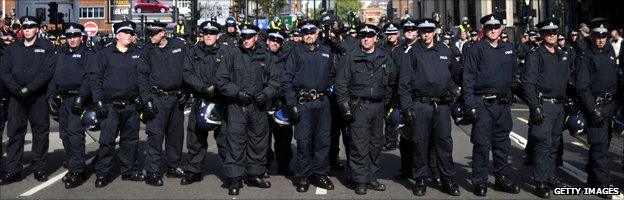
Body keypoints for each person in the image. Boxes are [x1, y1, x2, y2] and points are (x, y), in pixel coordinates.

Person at [399, 18, 461, 197]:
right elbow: (404, 84)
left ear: (434, 31)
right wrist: (407, 108)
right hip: (421, 105)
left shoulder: (444, 49)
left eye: (429, 30)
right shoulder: (412, 52)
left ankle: (448, 179)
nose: (426, 33)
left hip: (441, 105)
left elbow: (457, 74)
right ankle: (420, 179)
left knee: (444, 143)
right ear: (419, 32)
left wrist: (461, 93)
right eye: (423, 30)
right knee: (420, 143)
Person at [215, 24, 278, 195]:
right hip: (237, 105)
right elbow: (221, 80)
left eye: (249, 37)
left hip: (258, 106)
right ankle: (234, 178)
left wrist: (265, 95)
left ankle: (255, 174)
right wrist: (236, 93)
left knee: (258, 141)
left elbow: (274, 81)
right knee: (235, 142)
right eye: (243, 37)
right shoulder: (232, 54)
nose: (246, 40)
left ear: (256, 37)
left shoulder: (266, 56)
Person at [462, 14, 520, 196]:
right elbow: (468, 79)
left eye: (496, 27)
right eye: (489, 27)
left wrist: (511, 94)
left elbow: (513, 75)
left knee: (502, 145)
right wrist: (470, 104)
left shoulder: (508, 48)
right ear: (484, 30)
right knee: (481, 145)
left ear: (501, 28)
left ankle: (502, 179)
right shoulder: (476, 49)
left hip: (502, 105)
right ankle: (480, 181)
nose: (493, 30)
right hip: (483, 103)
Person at [335, 24, 395, 195]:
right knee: (359, 145)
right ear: (359, 38)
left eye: (370, 35)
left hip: (378, 106)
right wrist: (345, 106)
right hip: (358, 106)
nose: (366, 38)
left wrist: (386, 99)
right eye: (363, 36)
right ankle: (360, 180)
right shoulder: (350, 57)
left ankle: (371, 177)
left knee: (376, 144)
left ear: (376, 38)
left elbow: (392, 80)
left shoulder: (384, 56)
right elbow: (341, 85)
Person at [89, 20, 145, 188]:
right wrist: (98, 101)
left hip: (131, 105)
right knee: (107, 141)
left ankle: (129, 170)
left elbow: (143, 78)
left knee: (131, 140)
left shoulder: (138, 53)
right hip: (110, 106)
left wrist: (143, 100)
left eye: (131, 33)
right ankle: (103, 173)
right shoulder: (105, 54)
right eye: (126, 32)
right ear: (118, 35)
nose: (130, 35)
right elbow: (96, 79)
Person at [0, 16, 55, 185]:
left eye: (31, 26)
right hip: (16, 97)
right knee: (15, 134)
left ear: (37, 29)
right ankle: (13, 170)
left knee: (40, 133)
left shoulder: (46, 47)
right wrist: (16, 89)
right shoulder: (13, 47)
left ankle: (39, 168)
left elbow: (47, 72)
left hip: (37, 96)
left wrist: (29, 88)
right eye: (24, 27)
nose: (27, 29)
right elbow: (5, 71)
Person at [282, 20, 335, 193]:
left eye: (312, 32)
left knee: (323, 141)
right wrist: (292, 104)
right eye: (305, 32)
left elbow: (332, 75)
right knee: (304, 142)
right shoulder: (295, 52)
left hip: (322, 102)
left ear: (318, 32)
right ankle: (303, 175)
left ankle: (320, 173)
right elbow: (286, 80)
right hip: (303, 103)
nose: (309, 35)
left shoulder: (326, 51)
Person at [522, 19, 572, 199]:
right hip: (544, 105)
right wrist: (535, 107)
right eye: (548, 32)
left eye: (554, 32)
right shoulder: (535, 54)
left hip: (559, 106)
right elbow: (528, 84)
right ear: (542, 35)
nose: (552, 35)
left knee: (554, 144)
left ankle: (550, 176)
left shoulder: (561, 53)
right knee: (542, 144)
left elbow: (567, 79)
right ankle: (541, 181)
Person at [137, 21, 188, 186]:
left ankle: (173, 166)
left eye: (153, 33)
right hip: (156, 98)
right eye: (149, 34)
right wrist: (147, 101)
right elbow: (142, 77)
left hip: (176, 98)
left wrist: (187, 92)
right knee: (155, 136)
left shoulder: (179, 46)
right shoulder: (147, 50)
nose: (150, 36)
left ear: (163, 33)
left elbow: (187, 70)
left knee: (175, 135)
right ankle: (152, 172)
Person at [576, 18, 620, 199]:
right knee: (599, 146)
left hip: (610, 106)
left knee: (604, 144)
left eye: (604, 35)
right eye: (597, 36)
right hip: (596, 106)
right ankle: (603, 183)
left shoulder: (610, 51)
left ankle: (593, 179)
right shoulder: (586, 56)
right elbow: (582, 87)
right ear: (592, 36)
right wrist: (593, 110)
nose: (601, 39)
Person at [47, 23, 94, 188]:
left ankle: (77, 171)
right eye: (69, 36)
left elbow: (89, 78)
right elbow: (53, 76)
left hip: (78, 99)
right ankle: (74, 161)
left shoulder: (87, 54)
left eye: (75, 36)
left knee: (75, 135)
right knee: (64, 135)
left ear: (81, 37)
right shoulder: (61, 53)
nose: (72, 39)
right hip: (63, 100)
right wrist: (51, 96)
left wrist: (81, 98)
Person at [180, 20, 227, 185]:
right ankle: (193, 171)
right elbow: (187, 73)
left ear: (217, 35)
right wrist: (203, 88)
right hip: (201, 98)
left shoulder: (226, 52)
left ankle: (229, 173)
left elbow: (230, 73)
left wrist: (218, 88)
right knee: (195, 138)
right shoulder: (193, 52)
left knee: (224, 139)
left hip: (221, 101)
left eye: (212, 33)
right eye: (205, 33)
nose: (208, 35)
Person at [264, 28, 293, 177]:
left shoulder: (287, 58)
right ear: (267, 40)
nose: (275, 43)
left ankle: (284, 165)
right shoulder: (260, 56)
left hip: (281, 102)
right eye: (272, 40)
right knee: (263, 137)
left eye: (278, 41)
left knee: (284, 137)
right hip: (263, 102)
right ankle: (265, 165)